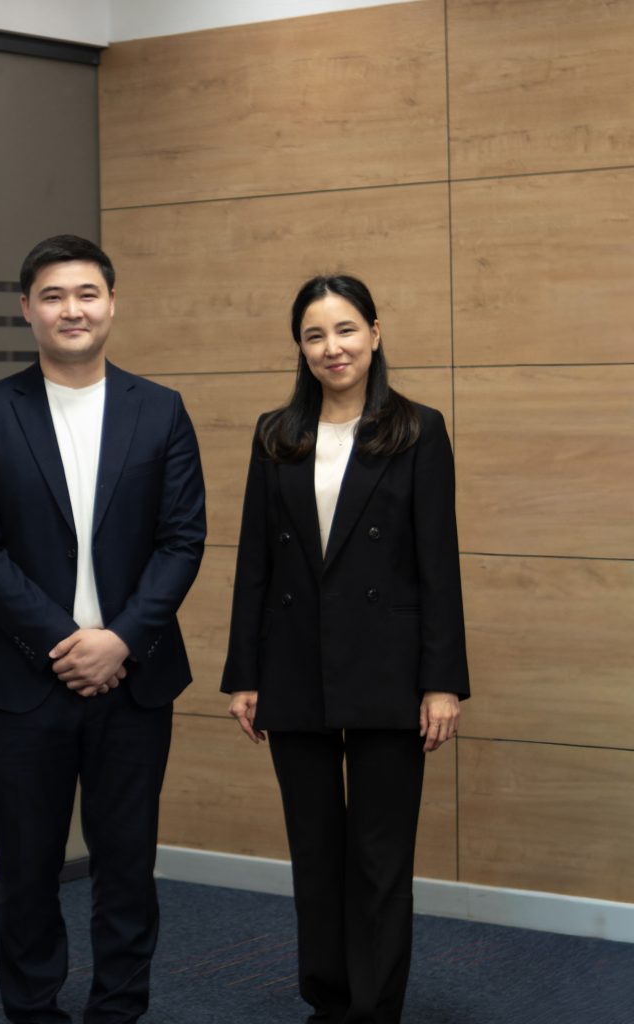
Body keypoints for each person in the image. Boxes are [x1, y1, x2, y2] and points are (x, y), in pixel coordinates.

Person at [0, 234, 206, 1023]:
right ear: (26, 309)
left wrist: (119, 639)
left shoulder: (159, 410)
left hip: (135, 679)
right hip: (27, 680)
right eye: (53, 296)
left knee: (127, 868)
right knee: (27, 872)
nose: (72, 310)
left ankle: (118, 1011)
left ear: (113, 303)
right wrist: (66, 643)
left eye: (87, 293)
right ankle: (33, 1013)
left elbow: (182, 540)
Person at [221, 274, 468, 1024]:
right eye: (315, 335)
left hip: (391, 671)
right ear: (300, 347)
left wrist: (442, 682)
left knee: (381, 858)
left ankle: (375, 1008)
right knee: (316, 852)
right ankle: (328, 1002)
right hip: (293, 666)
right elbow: (255, 562)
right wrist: (244, 673)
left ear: (375, 333)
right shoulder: (276, 433)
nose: (333, 348)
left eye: (346, 329)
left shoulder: (418, 429)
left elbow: (438, 564)